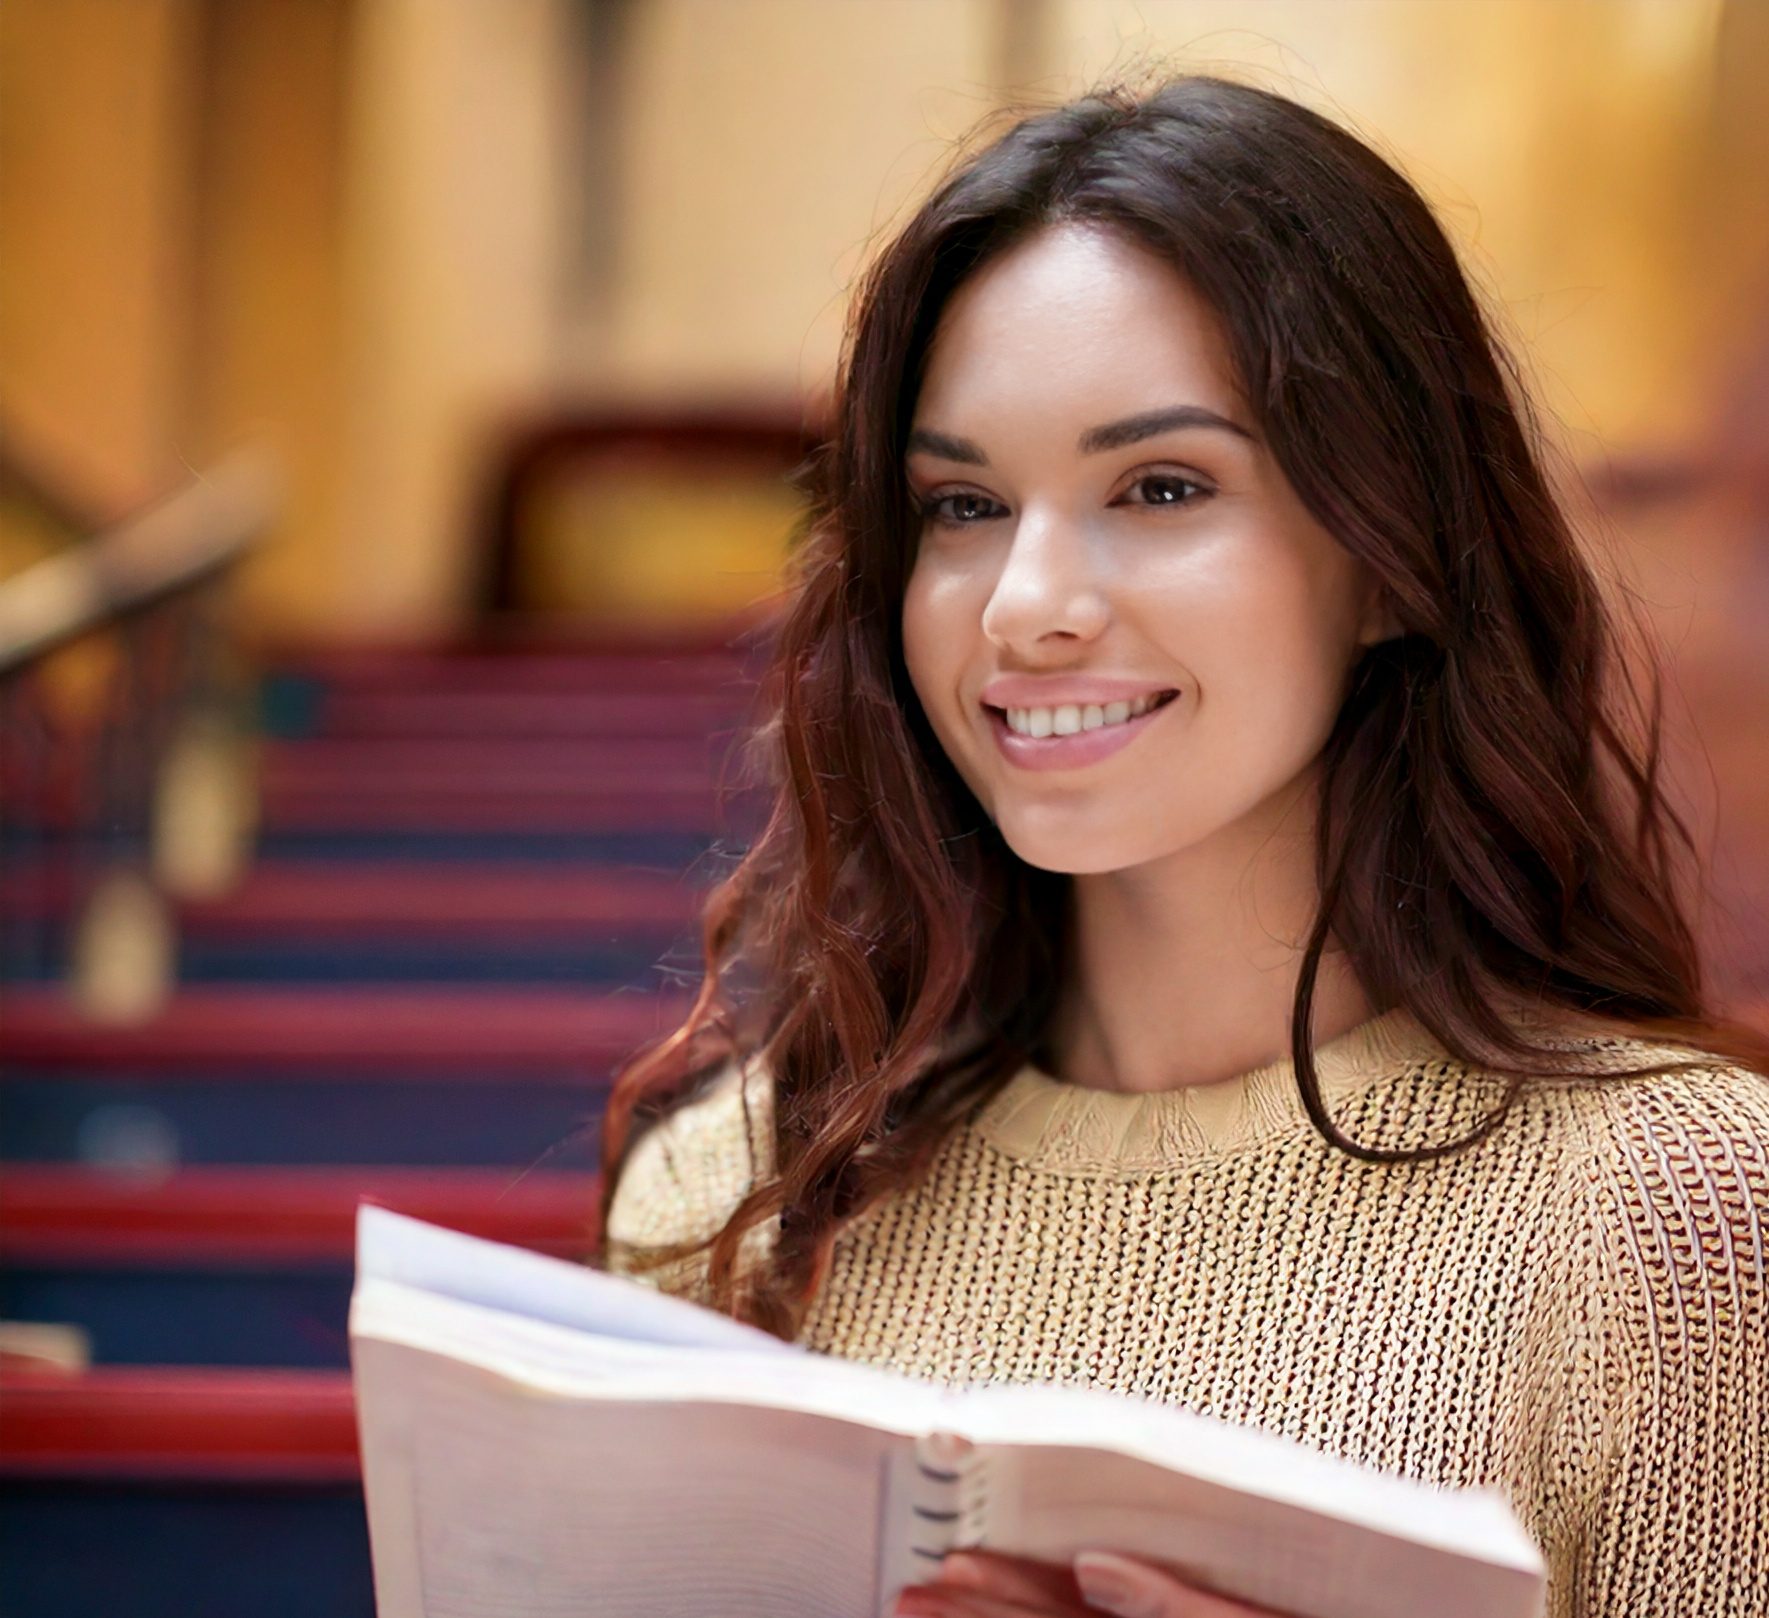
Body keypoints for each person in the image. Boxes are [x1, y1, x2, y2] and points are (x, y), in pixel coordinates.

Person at [593, 72, 1769, 1618]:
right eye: (961, 504)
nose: (1025, 605)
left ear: (1392, 559)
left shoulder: (1665, 1206)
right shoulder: (731, 1195)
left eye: (1159, 487)